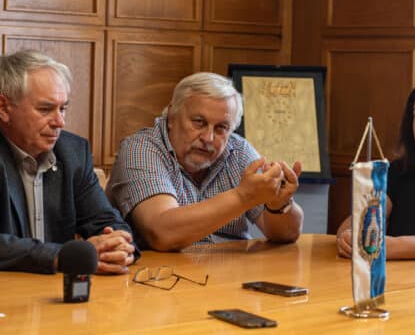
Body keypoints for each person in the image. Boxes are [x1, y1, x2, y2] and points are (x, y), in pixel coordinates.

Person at [0, 49, 136, 274]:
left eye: (63, 108)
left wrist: (119, 245)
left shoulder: (73, 152)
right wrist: (60, 257)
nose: (60, 122)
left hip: (52, 288)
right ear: (3, 107)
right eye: (45, 109)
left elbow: (105, 220)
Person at [106, 72, 304, 251]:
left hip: (231, 272)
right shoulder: (140, 149)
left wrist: (279, 205)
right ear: (172, 116)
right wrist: (243, 197)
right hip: (164, 274)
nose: (208, 138)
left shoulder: (238, 150)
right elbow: (162, 233)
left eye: (221, 128)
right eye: (199, 122)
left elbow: (287, 234)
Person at [337, 75, 415, 259]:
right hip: (395, 277)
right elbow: (354, 224)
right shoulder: (399, 172)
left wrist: (392, 247)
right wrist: (347, 238)